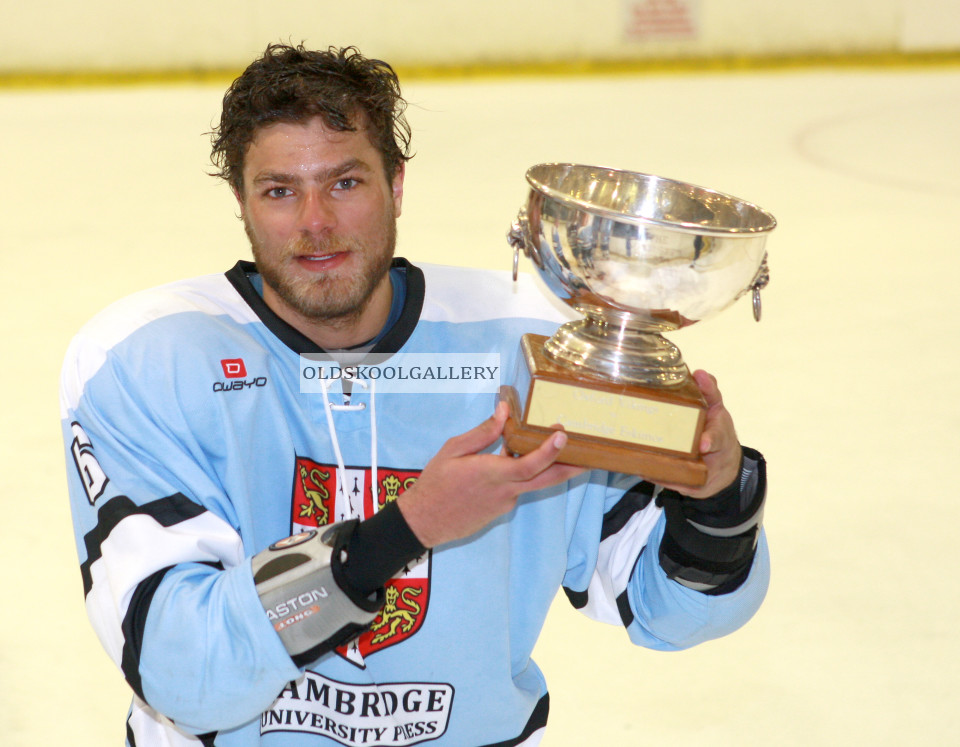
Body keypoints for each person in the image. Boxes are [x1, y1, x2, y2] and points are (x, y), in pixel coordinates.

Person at [59, 43, 769, 747]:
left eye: (345, 183)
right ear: (240, 202)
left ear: (396, 186)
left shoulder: (529, 348)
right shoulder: (147, 360)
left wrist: (717, 497)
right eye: (280, 190)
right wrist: (407, 529)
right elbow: (184, 668)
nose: (315, 221)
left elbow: (671, 610)